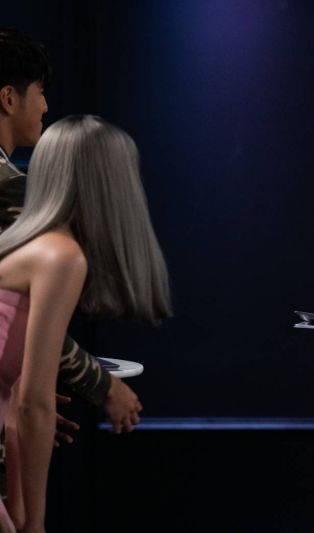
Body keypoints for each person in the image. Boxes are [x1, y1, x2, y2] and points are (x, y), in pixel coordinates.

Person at [0, 114, 172, 532]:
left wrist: (20, 514)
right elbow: (33, 404)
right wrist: (35, 524)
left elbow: (15, 398)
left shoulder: (30, 244)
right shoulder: (61, 257)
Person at [0, 27, 146, 503]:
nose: (45, 107)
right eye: (40, 92)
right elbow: (31, 319)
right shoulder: (14, 192)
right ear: (9, 98)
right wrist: (100, 386)